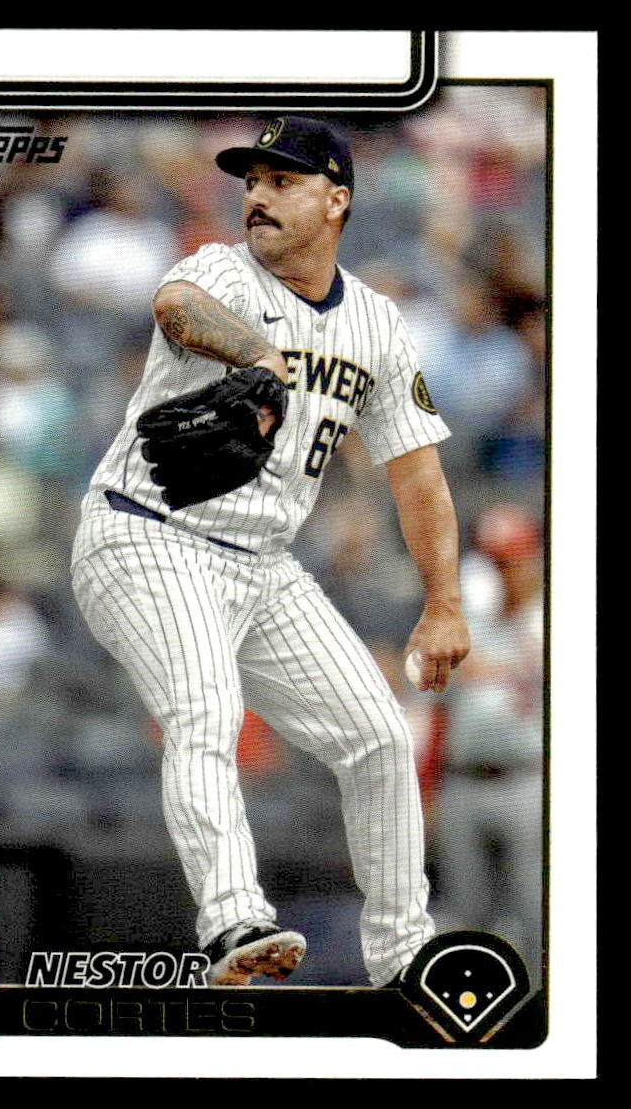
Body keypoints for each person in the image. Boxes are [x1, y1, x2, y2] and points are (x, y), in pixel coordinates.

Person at [70, 115, 470, 987]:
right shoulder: (223, 271)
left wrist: (444, 601)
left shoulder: (377, 324)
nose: (258, 195)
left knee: (378, 737)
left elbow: (418, 476)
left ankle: (403, 957)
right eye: (252, 180)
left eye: (283, 181)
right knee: (206, 710)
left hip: (263, 563)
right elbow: (173, 305)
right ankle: (231, 920)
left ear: (337, 201)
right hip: (148, 531)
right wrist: (254, 350)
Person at [436, 503, 543, 987]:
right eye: (495, 561)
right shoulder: (466, 624)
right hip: (462, 781)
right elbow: (431, 702)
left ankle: (543, 1013)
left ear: (531, 560)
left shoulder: (552, 619)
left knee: (535, 911)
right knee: (464, 917)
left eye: (510, 561)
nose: (503, 572)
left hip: (527, 779)